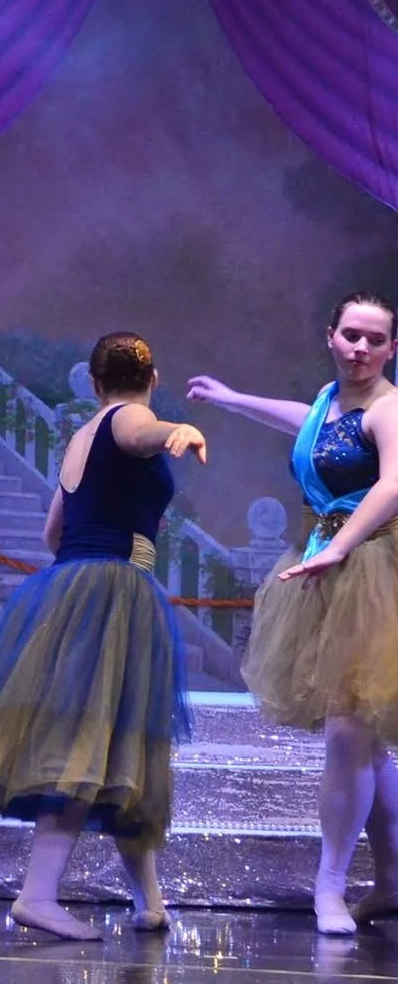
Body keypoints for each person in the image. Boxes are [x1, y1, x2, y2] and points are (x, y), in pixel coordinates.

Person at [0, 333, 206, 939]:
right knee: (90, 745)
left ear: (93, 383)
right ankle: (37, 895)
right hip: (114, 587)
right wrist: (177, 430)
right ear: (153, 378)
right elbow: (140, 433)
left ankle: (149, 900)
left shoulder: (82, 435)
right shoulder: (128, 418)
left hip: (79, 578)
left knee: (121, 745)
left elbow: (54, 530)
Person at [188, 290, 398, 934]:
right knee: (365, 740)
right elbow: (305, 421)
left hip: (375, 571)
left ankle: (330, 885)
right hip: (328, 567)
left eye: (376, 339)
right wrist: (232, 399)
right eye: (351, 335)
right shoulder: (330, 402)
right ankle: (392, 882)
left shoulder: (389, 409)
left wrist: (339, 546)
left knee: (349, 733)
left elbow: (393, 483)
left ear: (392, 349)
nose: (361, 348)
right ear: (330, 337)